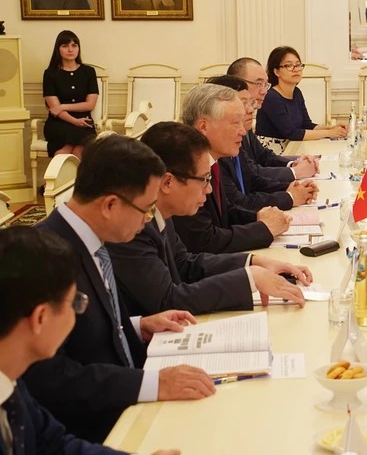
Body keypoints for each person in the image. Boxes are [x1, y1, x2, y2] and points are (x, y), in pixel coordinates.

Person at [26, 135, 216, 443]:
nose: (148, 220)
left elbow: (86, 331)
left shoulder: (94, 237)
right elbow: (47, 376)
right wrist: (152, 384)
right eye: (146, 208)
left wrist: (138, 325)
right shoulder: (43, 258)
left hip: (127, 399)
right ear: (110, 205)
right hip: (95, 428)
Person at [0, 227, 180, 455]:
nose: (78, 312)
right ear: (40, 318)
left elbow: (55, 445)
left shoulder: (13, 380)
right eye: (74, 303)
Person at [107, 121, 311, 316]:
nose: (209, 189)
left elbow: (185, 264)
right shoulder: (133, 224)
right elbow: (167, 300)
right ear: (168, 182)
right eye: (204, 179)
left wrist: (254, 262)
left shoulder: (161, 213)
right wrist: (249, 278)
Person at [173, 84, 292, 254]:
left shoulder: (212, 159)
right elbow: (204, 241)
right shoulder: (184, 168)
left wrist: (258, 217)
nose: (243, 131)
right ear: (203, 126)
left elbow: (226, 212)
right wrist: (263, 229)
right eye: (236, 123)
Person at [207, 75, 318, 211]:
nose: (250, 109)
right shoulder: (212, 154)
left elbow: (253, 178)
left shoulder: (236, 136)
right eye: (243, 103)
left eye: (250, 103)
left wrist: (289, 188)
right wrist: (290, 196)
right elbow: (238, 203)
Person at [227, 57, 319, 181]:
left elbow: (263, 156)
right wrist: (295, 172)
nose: (264, 91)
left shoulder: (246, 121)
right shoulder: (227, 126)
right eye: (258, 84)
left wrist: (293, 164)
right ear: (237, 84)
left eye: (266, 85)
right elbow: (249, 173)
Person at [255, 46, 347, 152]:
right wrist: (329, 133)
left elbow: (306, 125)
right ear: (277, 72)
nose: (296, 69)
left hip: (294, 146)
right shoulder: (271, 97)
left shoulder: (296, 92)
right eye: (289, 65)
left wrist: (331, 128)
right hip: (272, 152)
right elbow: (292, 133)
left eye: (298, 65)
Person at [42, 30, 98, 158]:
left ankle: (77, 172)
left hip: (84, 122)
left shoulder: (89, 72)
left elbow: (90, 104)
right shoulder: (50, 74)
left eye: (74, 45)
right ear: (58, 49)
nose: (70, 50)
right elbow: (55, 109)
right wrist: (74, 121)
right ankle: (59, 171)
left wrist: (63, 106)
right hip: (58, 122)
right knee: (65, 148)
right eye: (65, 46)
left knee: (80, 150)